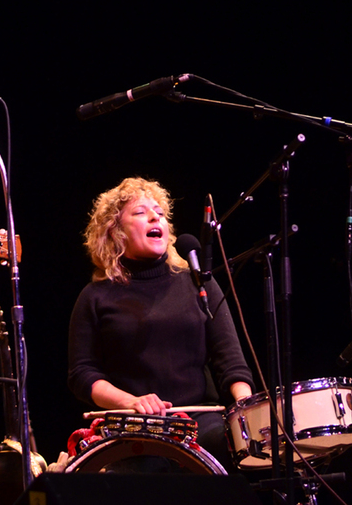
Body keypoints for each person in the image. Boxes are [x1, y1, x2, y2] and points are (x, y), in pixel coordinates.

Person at [67, 177, 254, 472]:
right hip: (134, 426)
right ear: (115, 232)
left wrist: (248, 412)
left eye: (160, 213)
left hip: (199, 422)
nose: (156, 217)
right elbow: (83, 375)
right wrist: (131, 402)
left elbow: (230, 360)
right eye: (141, 212)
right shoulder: (95, 296)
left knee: (232, 451)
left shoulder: (198, 283)